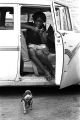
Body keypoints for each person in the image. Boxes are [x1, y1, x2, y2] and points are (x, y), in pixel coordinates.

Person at [21, 11, 55, 81]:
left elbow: (44, 42)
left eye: (41, 21)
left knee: (39, 53)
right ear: (34, 20)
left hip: (40, 46)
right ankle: (46, 72)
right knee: (31, 51)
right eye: (37, 21)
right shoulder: (30, 24)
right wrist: (32, 28)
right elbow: (19, 25)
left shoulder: (43, 28)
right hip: (31, 45)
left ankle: (51, 68)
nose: (39, 23)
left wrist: (41, 35)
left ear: (43, 22)